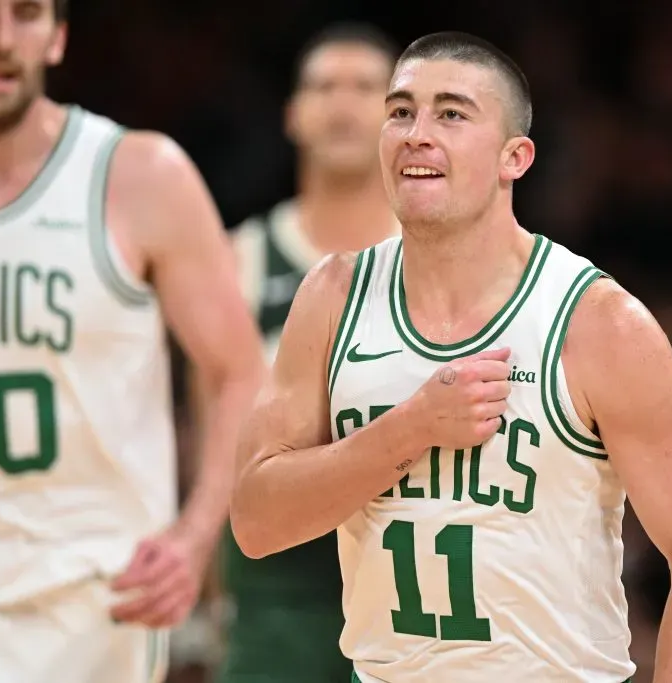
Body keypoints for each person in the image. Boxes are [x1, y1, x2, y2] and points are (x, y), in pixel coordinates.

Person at [231, 30, 672, 683]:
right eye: (400, 111)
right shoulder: (333, 295)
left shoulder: (597, 322)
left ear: (514, 158)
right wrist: (413, 427)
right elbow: (256, 520)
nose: (416, 132)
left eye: (450, 113)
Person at [0, 1, 262, 681]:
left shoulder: (141, 174)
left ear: (58, 36)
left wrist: (194, 540)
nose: (4, 40)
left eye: (28, 14)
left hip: (102, 592)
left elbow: (239, 372)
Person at [213, 22, 400, 683]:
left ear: (399, 115)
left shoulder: (439, 258)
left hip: (409, 564)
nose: (344, 103)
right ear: (292, 115)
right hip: (277, 581)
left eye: (366, 88)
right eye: (324, 86)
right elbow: (209, 426)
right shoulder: (238, 257)